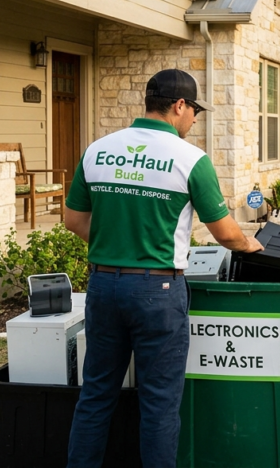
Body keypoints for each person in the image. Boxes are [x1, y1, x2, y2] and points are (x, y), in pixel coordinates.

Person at [64, 69, 263, 468]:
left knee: (96, 394)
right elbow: (225, 233)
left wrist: (116, 246)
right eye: (194, 112)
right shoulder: (190, 159)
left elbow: (73, 219)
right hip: (158, 293)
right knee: (158, 403)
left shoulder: (98, 149)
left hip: (103, 286)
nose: (194, 120)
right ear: (178, 106)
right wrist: (250, 243)